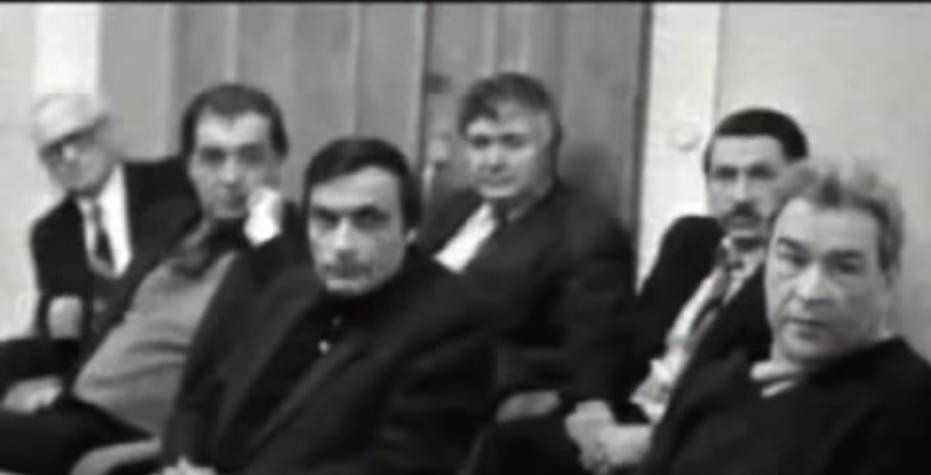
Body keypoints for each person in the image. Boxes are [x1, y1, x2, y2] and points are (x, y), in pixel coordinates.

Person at [479, 107, 810, 475]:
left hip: (695, 445)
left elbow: (767, 405)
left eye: (761, 176)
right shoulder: (690, 241)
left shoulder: (801, 275)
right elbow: (624, 337)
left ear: (799, 184)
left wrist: (653, 441)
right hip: (627, 414)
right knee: (506, 445)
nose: (740, 195)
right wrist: (594, 404)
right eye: (725, 176)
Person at [0, 82, 307, 475]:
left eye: (250, 158)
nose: (231, 177)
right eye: (213, 158)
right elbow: (109, 322)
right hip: (76, 406)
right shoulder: (170, 223)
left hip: (132, 431)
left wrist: (266, 238)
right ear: (189, 165)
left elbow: (285, 331)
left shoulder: (295, 248)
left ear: (278, 161)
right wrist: (65, 379)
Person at [160, 136, 498, 475]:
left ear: (409, 229)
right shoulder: (289, 290)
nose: (342, 245)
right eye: (325, 220)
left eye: (368, 221)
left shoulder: (451, 320)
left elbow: (400, 466)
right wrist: (184, 462)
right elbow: (202, 404)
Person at [638, 158, 931, 475]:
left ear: (886, 280)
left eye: (844, 268)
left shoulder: (908, 405)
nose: (810, 292)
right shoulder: (718, 381)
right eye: (793, 259)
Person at [417, 73, 635, 469]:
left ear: (549, 149)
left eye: (513, 143)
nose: (493, 161)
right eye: (480, 143)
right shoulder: (456, 210)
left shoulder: (587, 233)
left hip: (474, 406)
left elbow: (589, 361)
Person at [0, 92, 193, 404]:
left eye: (77, 139)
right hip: (98, 355)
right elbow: (61, 332)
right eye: (54, 152)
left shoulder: (171, 182)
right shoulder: (50, 233)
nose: (69, 157)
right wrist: (55, 322)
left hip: (170, 343)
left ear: (107, 133)